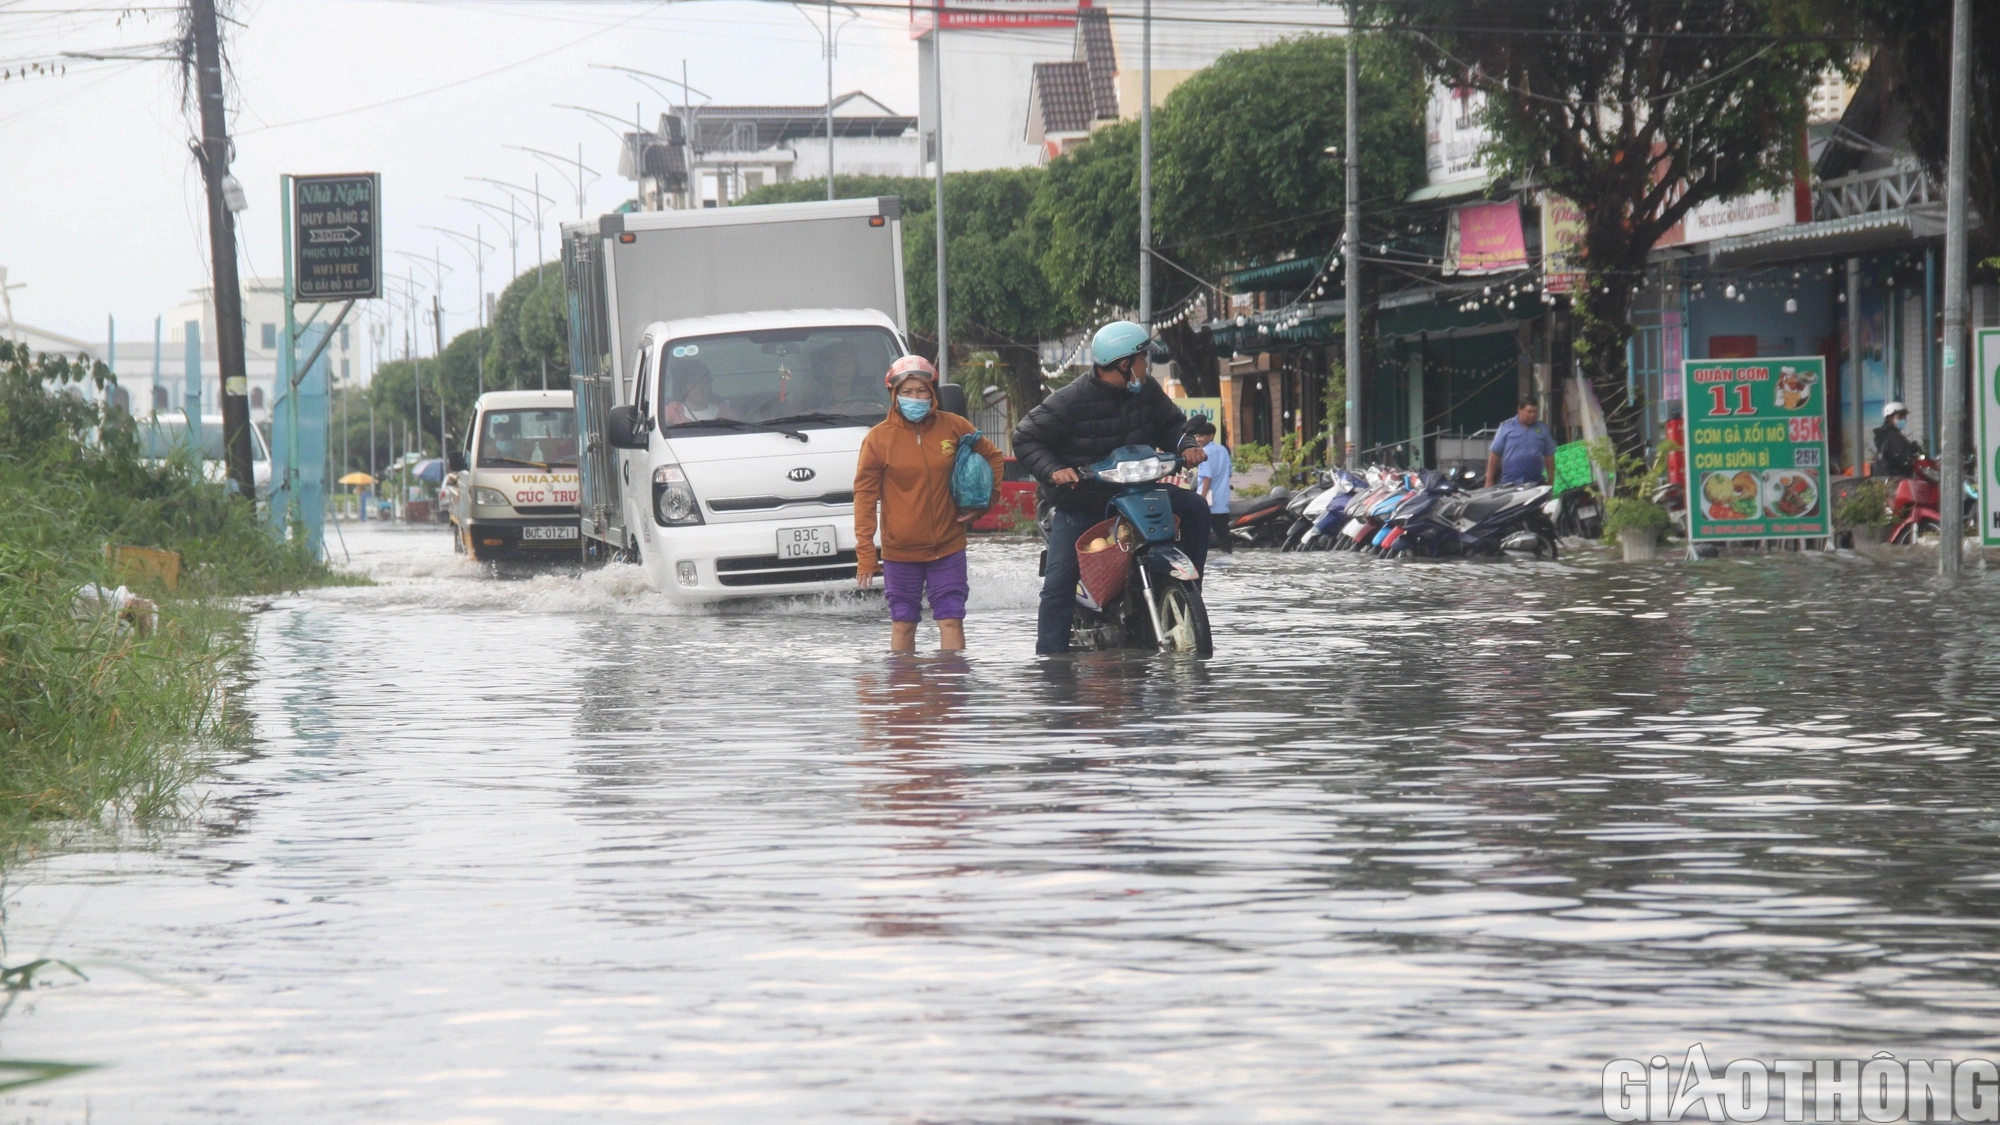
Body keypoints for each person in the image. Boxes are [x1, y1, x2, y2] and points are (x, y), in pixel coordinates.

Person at [1013, 320, 1209, 656]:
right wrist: (1055, 470)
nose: (1146, 365)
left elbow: (1172, 424)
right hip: (1085, 502)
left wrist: (1186, 444)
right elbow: (1025, 437)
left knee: (1195, 508)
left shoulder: (1146, 390)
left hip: (1139, 494)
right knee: (1058, 583)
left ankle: (1185, 585)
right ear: (1124, 364)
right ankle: (1050, 666)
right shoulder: (1070, 400)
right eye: (1142, 359)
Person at [853, 355, 1004, 654]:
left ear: (933, 392)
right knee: (904, 621)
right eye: (907, 392)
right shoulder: (878, 439)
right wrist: (866, 552)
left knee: (951, 620)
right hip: (900, 551)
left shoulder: (954, 426)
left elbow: (994, 457)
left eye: (922, 390)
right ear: (894, 395)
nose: (915, 398)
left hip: (948, 547)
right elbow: (865, 498)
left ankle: (951, 691)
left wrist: (984, 504)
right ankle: (906, 694)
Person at [1486, 398, 1556, 487]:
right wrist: (1489, 479)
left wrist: (1551, 480)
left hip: (1535, 483)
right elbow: (1495, 454)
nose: (1533, 415)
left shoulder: (1543, 429)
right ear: (1520, 410)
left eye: (1535, 412)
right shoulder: (1506, 428)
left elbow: (1549, 455)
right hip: (1510, 483)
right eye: (1529, 412)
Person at [1192, 419, 1233, 553]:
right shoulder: (1223, 451)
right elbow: (1229, 473)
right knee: (1224, 540)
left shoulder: (1203, 453)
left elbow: (1206, 478)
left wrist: (1201, 501)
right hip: (1221, 503)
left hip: (1207, 503)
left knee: (1199, 539)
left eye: (1201, 436)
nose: (1198, 439)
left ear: (1210, 436)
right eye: (1196, 436)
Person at [662, 359, 732, 425]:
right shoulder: (673, 411)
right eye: (694, 383)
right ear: (683, 388)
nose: (699, 386)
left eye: (704, 382)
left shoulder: (726, 412)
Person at [1872, 401, 1921, 477]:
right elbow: (1903, 453)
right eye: (1899, 417)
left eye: (1904, 417)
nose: (1903, 420)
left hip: (1889, 474)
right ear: (1890, 418)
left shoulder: (1890, 434)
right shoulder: (1891, 436)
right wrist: (1913, 452)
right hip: (1894, 475)